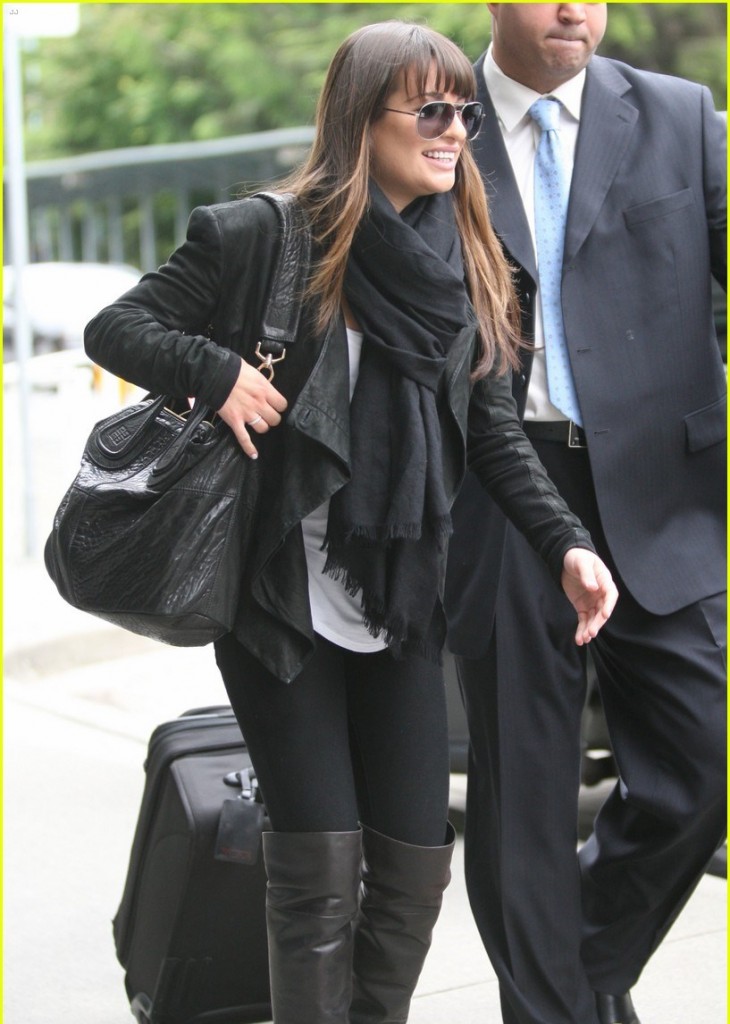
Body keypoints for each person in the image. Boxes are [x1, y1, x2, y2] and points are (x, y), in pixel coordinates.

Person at [85, 21, 617, 1024]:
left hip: (402, 596)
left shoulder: (471, 262)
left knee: (414, 871)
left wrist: (568, 545)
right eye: (429, 109)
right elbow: (117, 327)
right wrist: (219, 372)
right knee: (316, 874)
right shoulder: (261, 238)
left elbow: (494, 432)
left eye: (462, 109)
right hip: (278, 596)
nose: (455, 127)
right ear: (359, 117)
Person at [444, 5, 727, 1024]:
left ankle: (568, 989)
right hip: (502, 490)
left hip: (664, 495)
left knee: (702, 768)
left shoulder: (682, 116)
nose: (575, 8)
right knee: (520, 802)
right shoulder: (435, 122)